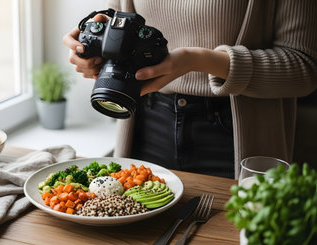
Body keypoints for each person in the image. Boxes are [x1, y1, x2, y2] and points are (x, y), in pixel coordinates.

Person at [63, 0, 317, 178]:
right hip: (146, 123)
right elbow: (118, 18)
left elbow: (305, 67)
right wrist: (92, 52)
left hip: (235, 137)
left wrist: (196, 61)